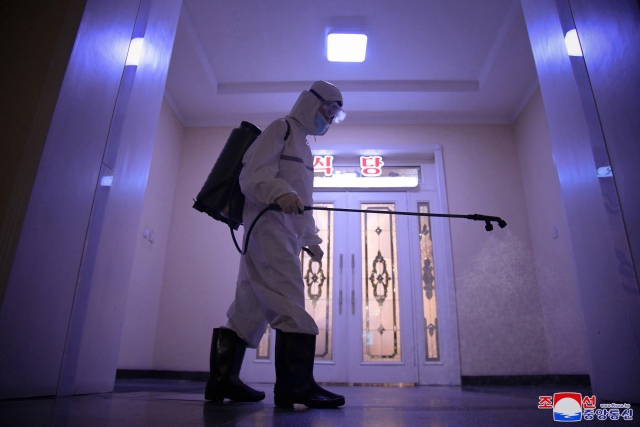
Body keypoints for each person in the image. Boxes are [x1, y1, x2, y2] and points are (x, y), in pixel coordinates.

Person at [204, 81, 346, 408]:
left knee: (248, 307)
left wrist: (311, 239)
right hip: (269, 229)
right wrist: (279, 192)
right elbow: (252, 176)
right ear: (313, 104)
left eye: (335, 115)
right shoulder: (280, 128)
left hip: (277, 233)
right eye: (329, 111)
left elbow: (302, 201)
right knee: (289, 298)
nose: (329, 119)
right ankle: (295, 387)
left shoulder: (305, 147)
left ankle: (223, 380)